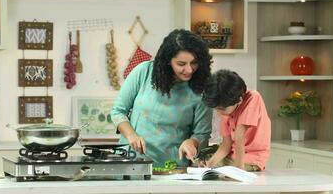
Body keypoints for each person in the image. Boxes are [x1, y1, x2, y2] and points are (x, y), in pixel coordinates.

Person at [110, 29, 213, 167]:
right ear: (168, 61)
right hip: (132, 160)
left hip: (174, 168)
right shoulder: (144, 72)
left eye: (194, 63)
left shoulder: (202, 89)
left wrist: (192, 142)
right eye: (181, 64)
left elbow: (202, 133)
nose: (189, 70)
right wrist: (131, 135)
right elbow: (118, 111)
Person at [200, 70, 271, 171]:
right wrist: (209, 164)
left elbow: (239, 135)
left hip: (251, 158)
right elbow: (226, 145)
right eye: (216, 109)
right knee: (203, 163)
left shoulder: (253, 98)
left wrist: (238, 171)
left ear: (239, 100)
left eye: (221, 109)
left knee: (222, 174)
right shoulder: (225, 107)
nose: (219, 113)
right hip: (232, 156)